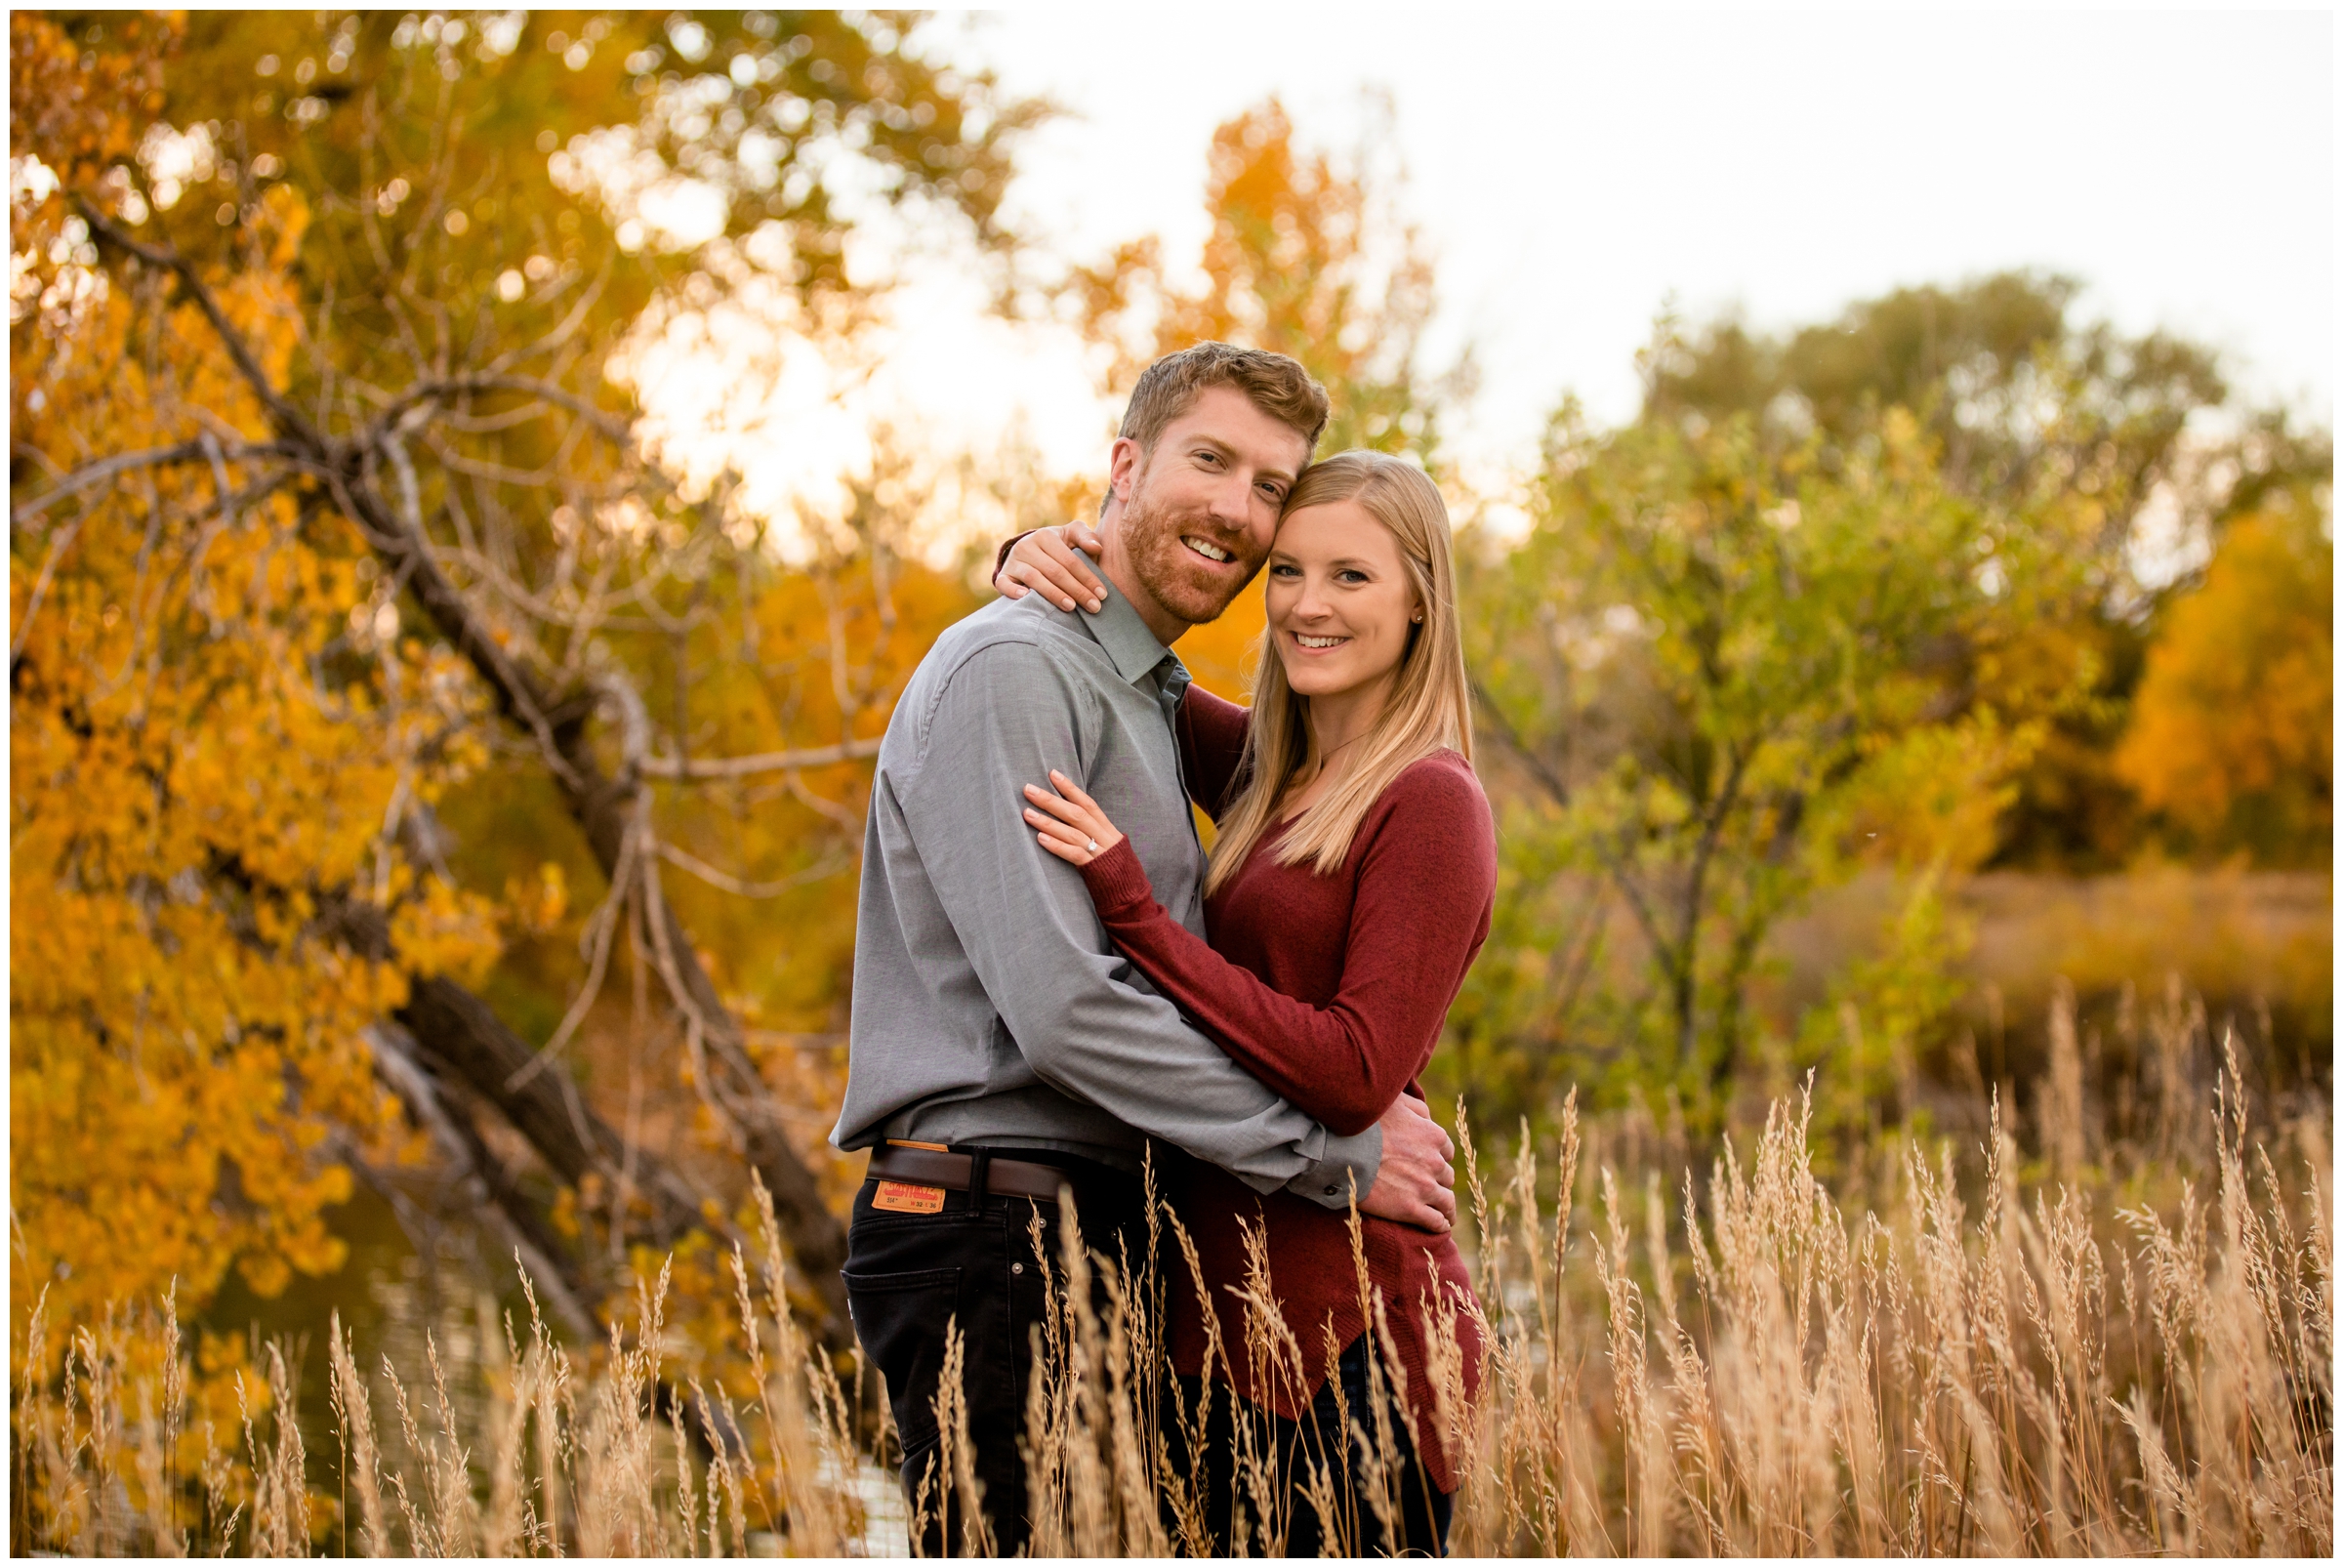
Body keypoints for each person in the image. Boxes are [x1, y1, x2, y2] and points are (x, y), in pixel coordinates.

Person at [830, 343, 1459, 1556]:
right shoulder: (1019, 665)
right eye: (1208, 460)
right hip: (997, 1233)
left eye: (1270, 487)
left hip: (1101, 1234)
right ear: (1124, 465)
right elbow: (1068, 1011)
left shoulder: (1144, 691)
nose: (1236, 507)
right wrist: (1327, 1159)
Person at [998, 448, 1494, 1555]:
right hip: (1213, 1328)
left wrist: (1137, 913)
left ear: (1421, 601)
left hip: (1357, 1333)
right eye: (1289, 573)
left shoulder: (1429, 800)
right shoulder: (1275, 773)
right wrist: (1027, 554)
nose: (1308, 606)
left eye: (1352, 577)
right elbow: (1139, 675)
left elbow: (1354, 1070)